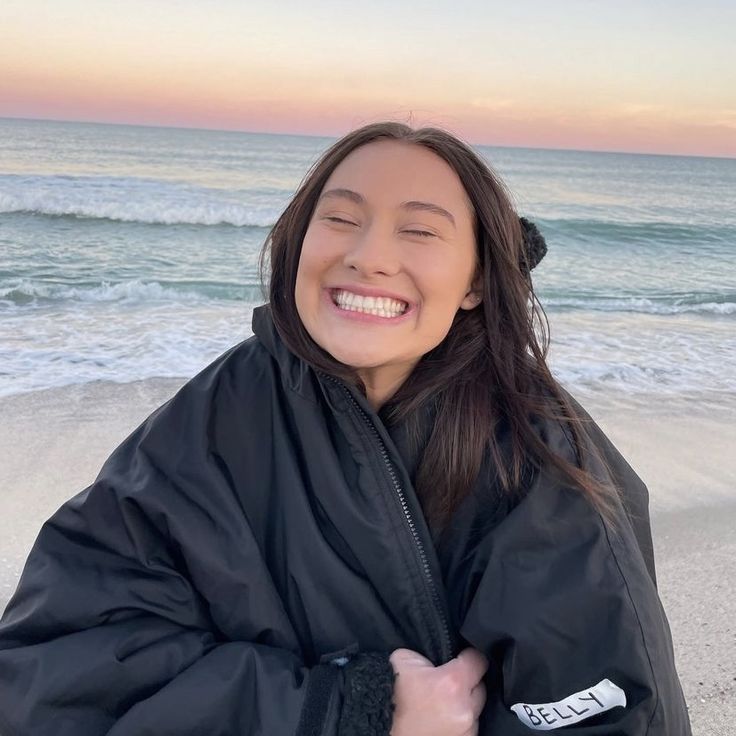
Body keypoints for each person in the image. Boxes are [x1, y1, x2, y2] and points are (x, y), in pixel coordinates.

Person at [0, 122, 691, 735]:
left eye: (419, 229)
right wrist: (344, 709)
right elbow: (53, 670)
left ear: (477, 280)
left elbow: (613, 710)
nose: (368, 255)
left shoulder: (539, 458)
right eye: (339, 218)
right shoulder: (214, 417)